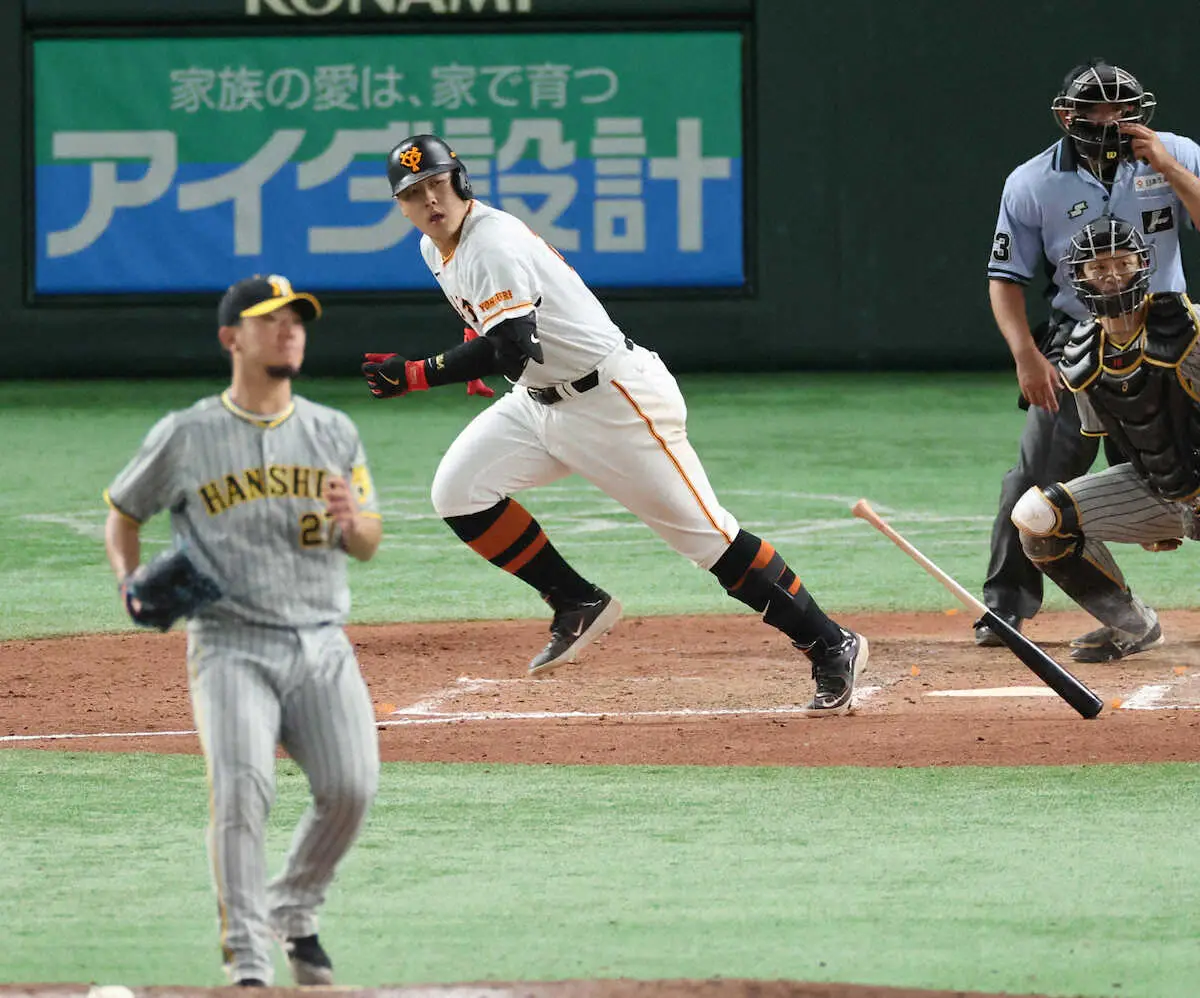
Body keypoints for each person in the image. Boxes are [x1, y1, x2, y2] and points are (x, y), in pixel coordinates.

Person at [361, 133, 868, 715]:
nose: (431, 200)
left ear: (462, 181)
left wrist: (419, 375)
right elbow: (498, 326)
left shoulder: (491, 241)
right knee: (458, 491)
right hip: (537, 403)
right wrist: (474, 352)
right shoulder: (437, 248)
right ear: (401, 206)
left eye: (438, 183)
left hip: (616, 404)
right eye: (415, 193)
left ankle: (831, 643)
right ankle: (576, 599)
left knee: (709, 540)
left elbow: (513, 346)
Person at [103, 274, 383, 987]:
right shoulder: (188, 433)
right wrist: (127, 582)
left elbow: (370, 538)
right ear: (233, 338)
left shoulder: (333, 430)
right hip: (230, 645)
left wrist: (356, 525)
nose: (289, 330)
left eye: (296, 320)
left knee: (352, 788)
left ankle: (293, 908)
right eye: (270, 320)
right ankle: (250, 962)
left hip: (322, 641)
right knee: (242, 791)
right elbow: (124, 512)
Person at [978, 58, 1200, 647]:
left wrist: (1169, 167)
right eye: (1100, 110)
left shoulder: (1174, 151)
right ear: (1066, 116)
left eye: (1125, 109)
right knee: (1035, 476)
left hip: (1173, 333)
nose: (1115, 121)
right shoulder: (1030, 183)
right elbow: (1005, 278)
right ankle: (1009, 607)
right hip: (1078, 341)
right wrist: (1026, 354)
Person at [1011, 216, 1200, 661]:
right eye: (1098, 268)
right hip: (1166, 489)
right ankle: (1131, 623)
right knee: (1037, 517)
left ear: (1143, 266)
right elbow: (1126, 441)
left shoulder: (1187, 328)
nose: (1113, 275)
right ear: (1079, 278)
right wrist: (1154, 509)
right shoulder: (1082, 357)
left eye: (1123, 262)